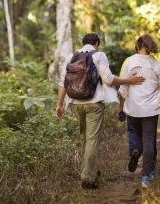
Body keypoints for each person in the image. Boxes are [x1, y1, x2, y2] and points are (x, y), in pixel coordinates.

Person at [55, 32, 145, 189]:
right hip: (94, 103)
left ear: (83, 43)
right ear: (96, 43)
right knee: (92, 140)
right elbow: (109, 79)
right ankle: (87, 179)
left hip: (76, 103)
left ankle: (92, 170)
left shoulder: (71, 57)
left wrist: (59, 104)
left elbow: (63, 82)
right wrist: (128, 80)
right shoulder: (99, 55)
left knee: (84, 138)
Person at [118, 34, 160, 188]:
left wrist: (121, 107)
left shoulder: (129, 62)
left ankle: (141, 159)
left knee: (140, 139)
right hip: (151, 109)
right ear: (150, 46)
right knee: (148, 141)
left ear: (137, 44)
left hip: (133, 108)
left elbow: (123, 88)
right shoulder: (157, 64)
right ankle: (146, 176)